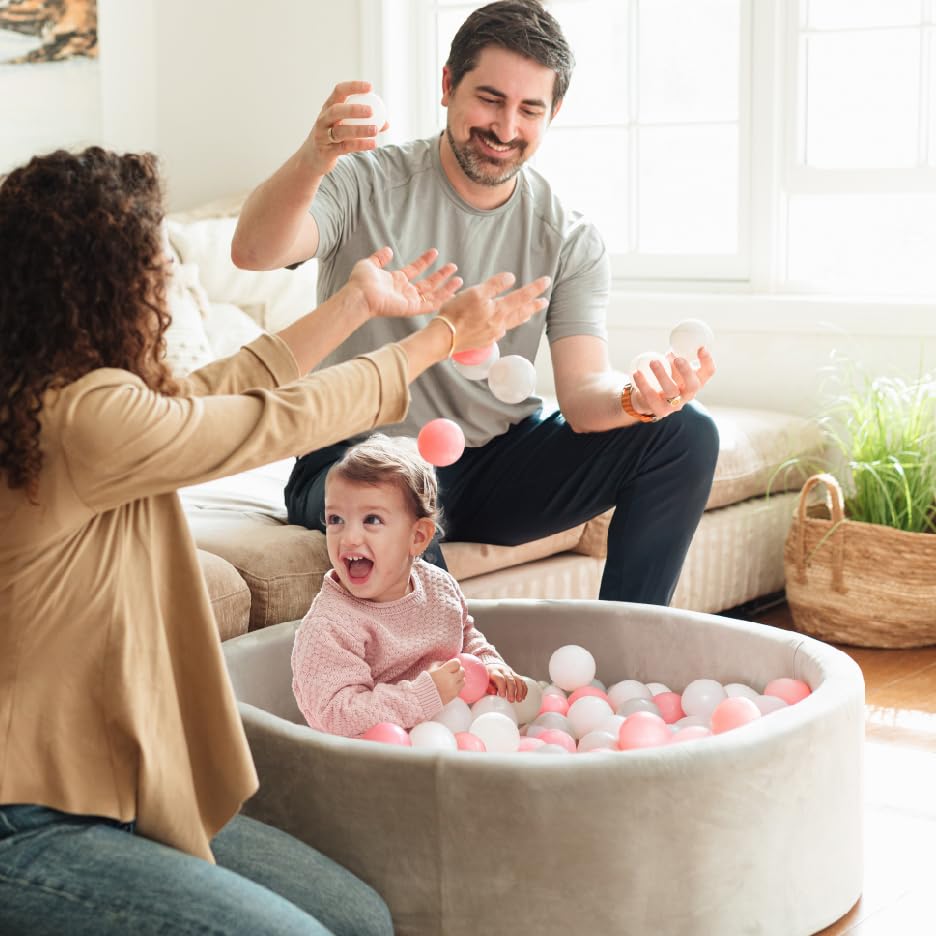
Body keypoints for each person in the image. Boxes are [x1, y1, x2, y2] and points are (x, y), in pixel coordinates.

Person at [0, 147, 549, 935]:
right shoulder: (81, 416)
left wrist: (357, 305)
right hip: (29, 819)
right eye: (152, 261)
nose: (165, 280)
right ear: (102, 280)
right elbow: (271, 421)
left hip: (114, 788)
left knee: (360, 917)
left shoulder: (72, 401)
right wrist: (431, 340)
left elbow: (231, 385)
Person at [232, 0, 720, 606]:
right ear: (447, 85)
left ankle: (630, 645)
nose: (506, 128)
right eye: (490, 99)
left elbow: (584, 395)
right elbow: (253, 250)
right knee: (392, 480)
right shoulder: (363, 181)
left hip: (492, 467)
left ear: (554, 113)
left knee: (686, 434)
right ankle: (450, 678)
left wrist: (637, 399)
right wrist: (313, 157)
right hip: (357, 463)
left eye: (530, 109)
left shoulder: (567, 236)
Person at [291, 435, 527, 738]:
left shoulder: (438, 587)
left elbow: (464, 633)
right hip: (372, 760)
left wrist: (486, 663)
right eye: (335, 519)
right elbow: (337, 715)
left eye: (371, 519)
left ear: (417, 537)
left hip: (448, 737)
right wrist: (423, 695)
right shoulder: (330, 626)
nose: (348, 538)